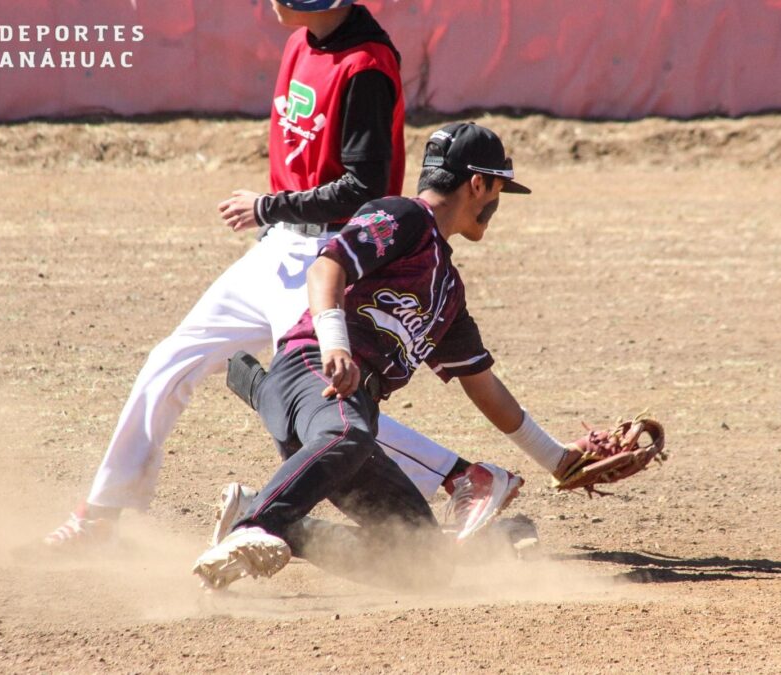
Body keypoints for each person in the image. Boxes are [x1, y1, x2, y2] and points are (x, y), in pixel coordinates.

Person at [43, 0, 522, 551]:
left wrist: (270, 206)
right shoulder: (300, 43)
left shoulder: (364, 65)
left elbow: (365, 188)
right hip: (279, 244)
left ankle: (456, 475)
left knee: (322, 392)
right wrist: (272, 221)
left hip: (328, 250)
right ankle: (102, 512)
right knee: (173, 360)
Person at [192, 122, 582, 592]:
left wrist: (558, 459)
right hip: (314, 369)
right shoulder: (404, 217)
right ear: (479, 184)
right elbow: (327, 267)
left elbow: (484, 387)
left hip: (341, 414)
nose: (497, 206)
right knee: (350, 431)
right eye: (500, 189)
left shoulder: (447, 289)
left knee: (422, 562)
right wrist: (336, 342)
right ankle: (253, 528)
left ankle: (273, 522)